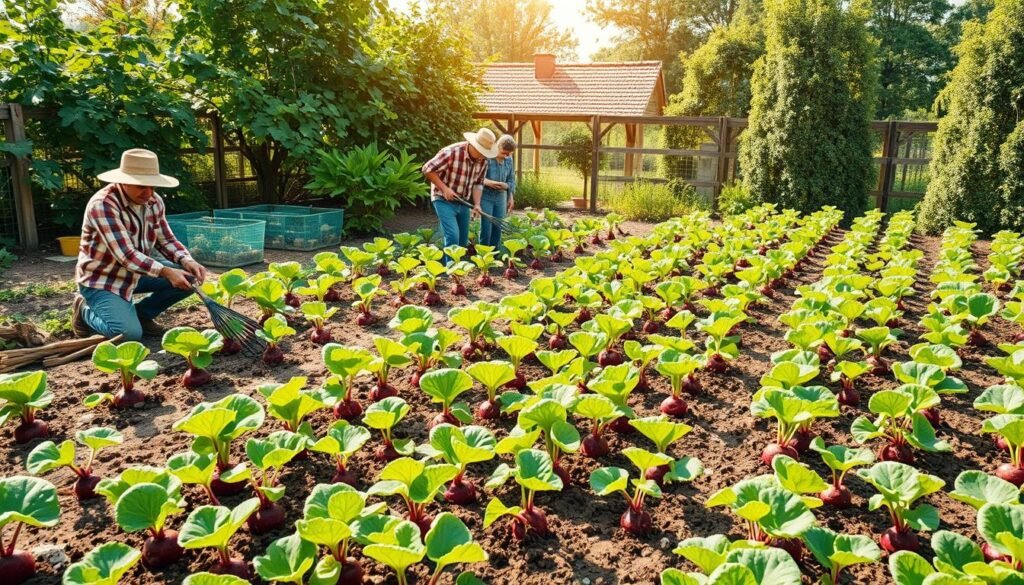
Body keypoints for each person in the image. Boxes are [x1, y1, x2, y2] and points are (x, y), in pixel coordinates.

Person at [71, 148, 207, 342]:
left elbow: (165, 240)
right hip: (103, 281)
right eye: (142, 186)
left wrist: (187, 261)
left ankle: (142, 315)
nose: (148, 192)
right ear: (123, 181)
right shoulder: (103, 205)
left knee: (189, 279)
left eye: (153, 186)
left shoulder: (153, 202)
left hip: (137, 274)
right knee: (128, 335)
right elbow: (126, 255)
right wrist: (167, 272)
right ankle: (83, 309)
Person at [422, 128, 499, 261]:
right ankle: (452, 272)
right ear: (473, 145)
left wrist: (477, 204)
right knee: (452, 235)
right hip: (442, 198)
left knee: (463, 241)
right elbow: (427, 169)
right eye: (481, 152)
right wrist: (445, 189)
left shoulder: (483, 161)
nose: (483, 156)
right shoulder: (451, 152)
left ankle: (448, 265)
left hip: (462, 201)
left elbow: (478, 183)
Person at [475, 135, 516, 249]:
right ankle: (483, 255)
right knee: (486, 228)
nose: (507, 156)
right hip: (486, 196)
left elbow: (511, 179)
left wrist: (510, 196)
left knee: (498, 227)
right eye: (504, 153)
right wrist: (490, 183)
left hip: (501, 197)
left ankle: (494, 256)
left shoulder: (509, 160)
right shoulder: (486, 158)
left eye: (509, 154)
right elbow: (477, 177)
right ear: (497, 146)